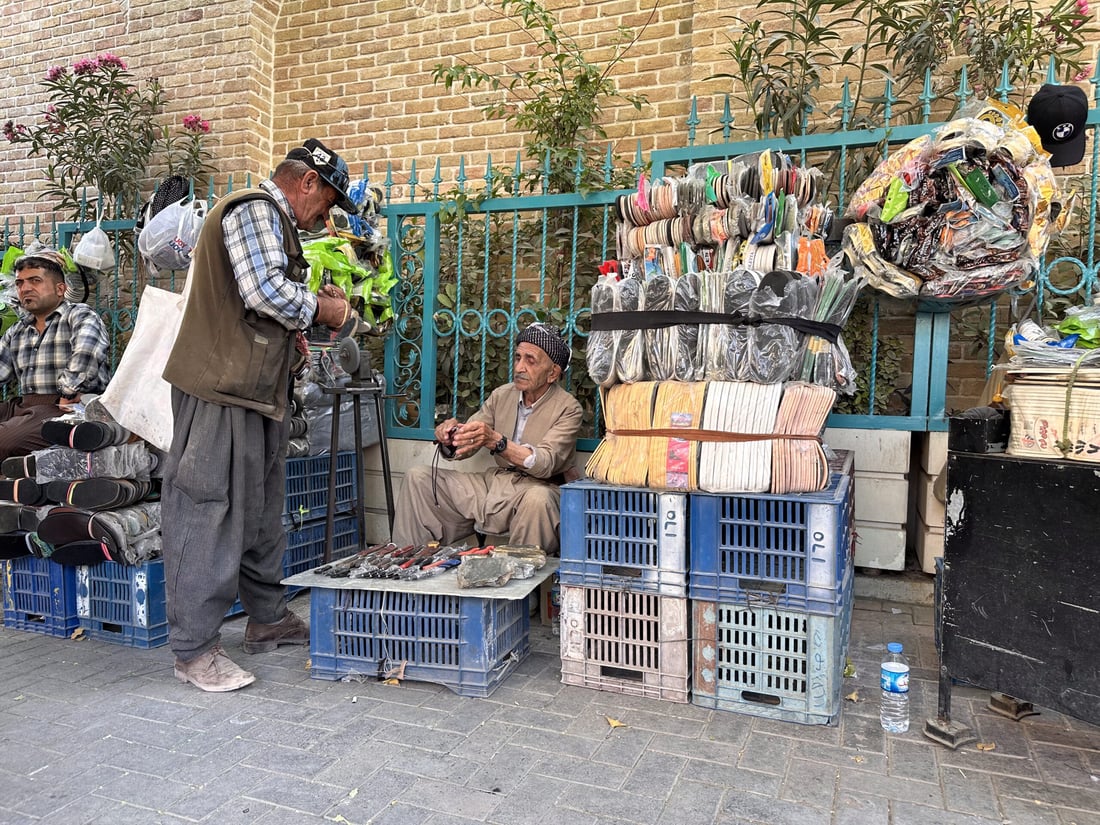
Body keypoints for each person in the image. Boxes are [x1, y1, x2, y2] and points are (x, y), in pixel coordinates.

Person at [161, 138, 355, 693]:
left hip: (254, 393)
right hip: (219, 392)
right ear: (308, 182)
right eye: (327, 202)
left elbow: (264, 308)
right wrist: (324, 308)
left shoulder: (278, 224)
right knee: (209, 512)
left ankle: (267, 619)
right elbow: (264, 291)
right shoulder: (254, 209)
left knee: (262, 514)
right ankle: (195, 651)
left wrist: (297, 335)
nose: (326, 218)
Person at [392, 323, 582, 554]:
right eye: (518, 357)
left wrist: (496, 442)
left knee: (538, 499)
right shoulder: (502, 395)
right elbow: (472, 436)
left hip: (538, 487)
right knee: (418, 478)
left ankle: (520, 575)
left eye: (530, 361)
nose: (519, 367)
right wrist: (452, 437)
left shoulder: (569, 408)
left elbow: (545, 462)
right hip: (494, 483)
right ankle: (409, 564)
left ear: (552, 372)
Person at [0, 248, 110, 463]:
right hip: (25, 407)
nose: (25, 288)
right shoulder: (18, 331)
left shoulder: (80, 315)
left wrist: (68, 390)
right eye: (20, 283)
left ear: (60, 289)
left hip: (66, 406)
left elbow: (87, 353)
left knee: (4, 439)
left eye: (35, 281)